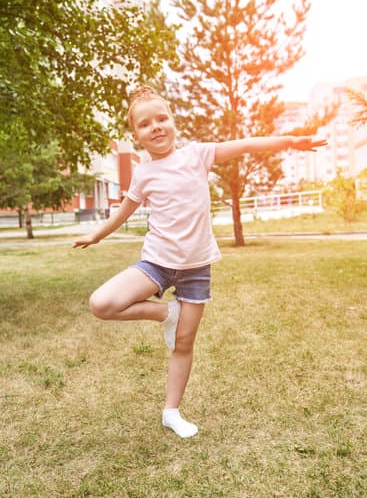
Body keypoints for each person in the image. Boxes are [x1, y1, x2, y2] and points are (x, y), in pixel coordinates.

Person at [73, 85, 327, 438]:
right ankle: (167, 313)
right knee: (102, 303)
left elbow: (248, 144)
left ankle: (171, 412)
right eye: (146, 124)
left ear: (174, 122)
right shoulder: (144, 173)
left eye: (163, 118)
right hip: (157, 264)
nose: (157, 127)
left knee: (183, 344)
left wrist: (290, 141)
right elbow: (122, 212)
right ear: (137, 136)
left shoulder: (198, 155)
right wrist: (96, 235)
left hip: (196, 269)